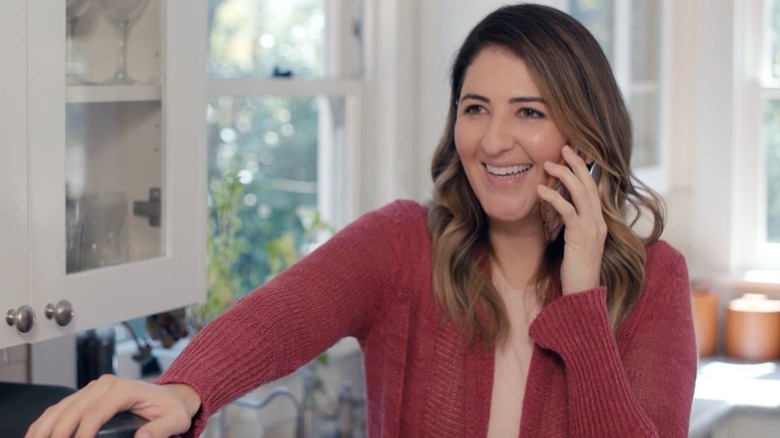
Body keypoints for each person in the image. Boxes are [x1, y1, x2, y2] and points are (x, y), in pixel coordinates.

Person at [27, 4, 697, 438]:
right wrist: (184, 389)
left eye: (529, 111)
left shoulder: (655, 281)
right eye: (474, 108)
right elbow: (283, 314)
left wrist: (581, 302)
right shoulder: (404, 245)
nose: (493, 142)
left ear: (583, 128)